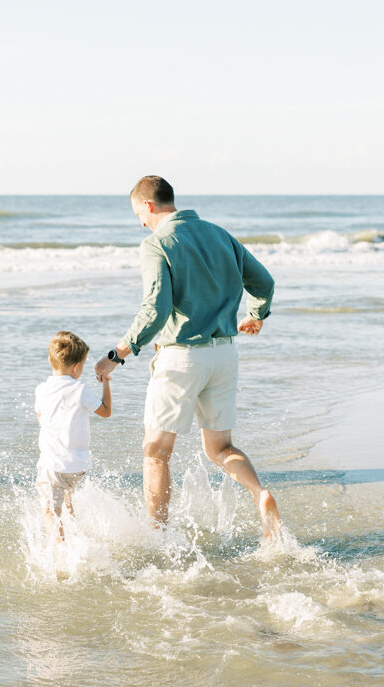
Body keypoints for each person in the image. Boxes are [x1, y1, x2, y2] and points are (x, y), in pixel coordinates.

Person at [94, 176, 282, 539]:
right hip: (224, 355)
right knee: (221, 447)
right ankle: (260, 493)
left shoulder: (156, 243)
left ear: (148, 206)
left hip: (181, 358)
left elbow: (157, 308)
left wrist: (117, 354)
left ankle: (158, 537)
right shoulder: (219, 234)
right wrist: (257, 315)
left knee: (156, 451)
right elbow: (264, 283)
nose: (140, 222)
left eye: (138, 214)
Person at [35, 331, 113, 541]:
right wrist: (106, 381)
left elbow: (42, 420)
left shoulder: (41, 390)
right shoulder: (80, 389)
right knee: (67, 502)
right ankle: (76, 539)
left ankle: (62, 553)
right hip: (78, 466)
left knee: (50, 512)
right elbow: (106, 411)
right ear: (77, 367)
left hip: (53, 465)